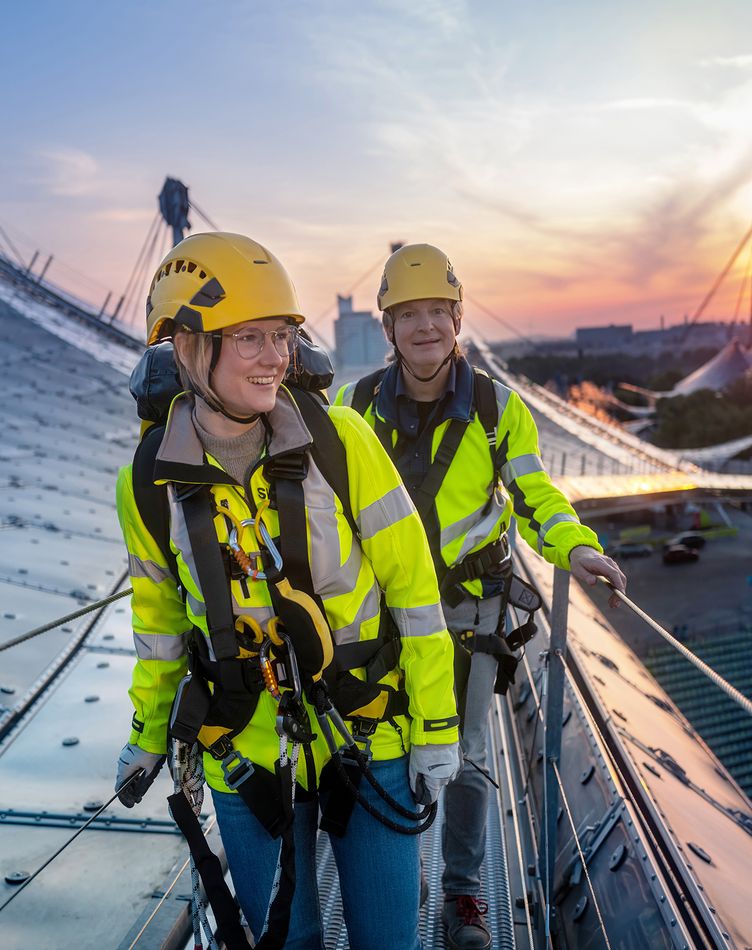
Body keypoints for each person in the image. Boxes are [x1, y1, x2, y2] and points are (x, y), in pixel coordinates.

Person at [112, 232, 460, 950]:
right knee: (287, 942)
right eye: (249, 338)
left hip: (369, 728)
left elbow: (413, 591)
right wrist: (148, 738)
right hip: (243, 748)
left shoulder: (342, 441)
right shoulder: (147, 484)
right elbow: (161, 624)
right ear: (185, 345)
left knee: (389, 940)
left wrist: (435, 730)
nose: (276, 357)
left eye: (281, 336)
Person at [334, 243, 628, 950]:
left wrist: (575, 547)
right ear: (388, 328)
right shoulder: (355, 407)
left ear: (458, 318)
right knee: (386, 746)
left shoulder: (500, 411)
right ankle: (409, 878)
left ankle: (463, 898)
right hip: (384, 618)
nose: (425, 326)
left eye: (437, 311)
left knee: (465, 760)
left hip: (469, 616)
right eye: (409, 315)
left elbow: (536, 496)